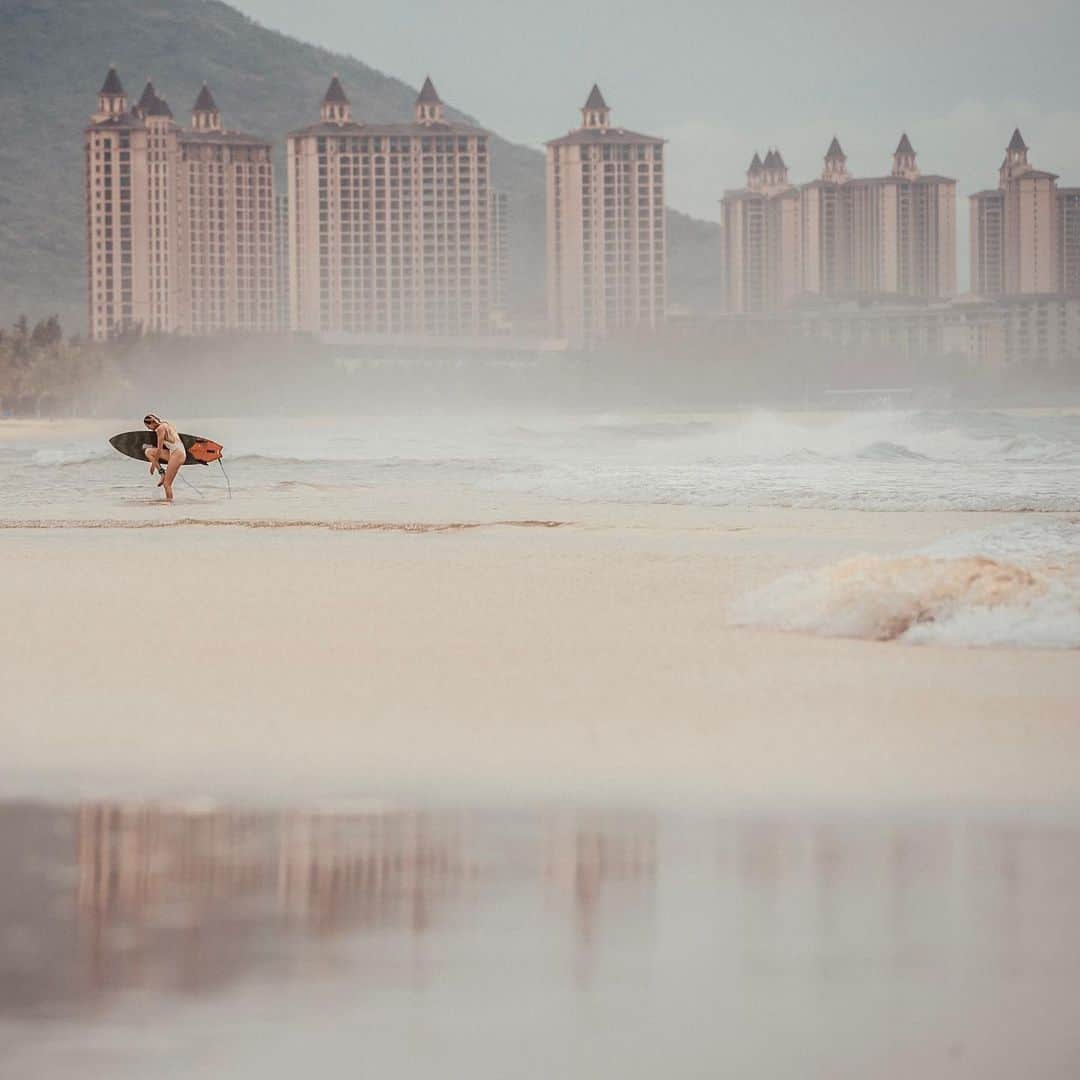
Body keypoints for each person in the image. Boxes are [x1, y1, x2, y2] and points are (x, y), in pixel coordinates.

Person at [142, 413, 185, 501]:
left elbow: (159, 448)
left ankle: (169, 503)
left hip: (177, 454)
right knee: (148, 452)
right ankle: (162, 473)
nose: (149, 429)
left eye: (148, 427)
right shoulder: (166, 424)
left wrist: (153, 465)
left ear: (152, 423)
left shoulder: (159, 429)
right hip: (174, 452)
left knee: (167, 484)